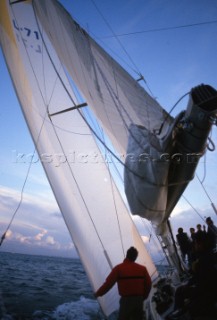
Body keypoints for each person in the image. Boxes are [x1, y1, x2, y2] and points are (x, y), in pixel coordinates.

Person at [167, 232, 217, 320]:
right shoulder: (210, 255)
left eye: (196, 243)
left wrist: (188, 285)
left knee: (179, 291)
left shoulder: (203, 260)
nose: (195, 245)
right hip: (210, 290)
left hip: (206, 293)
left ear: (200, 243)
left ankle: (180, 312)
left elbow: (201, 280)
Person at [95, 247, 152, 320]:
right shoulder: (142, 269)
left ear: (127, 255)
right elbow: (148, 284)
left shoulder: (118, 268)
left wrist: (98, 293)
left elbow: (108, 284)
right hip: (139, 300)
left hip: (126, 302)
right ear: (135, 257)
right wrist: (144, 296)